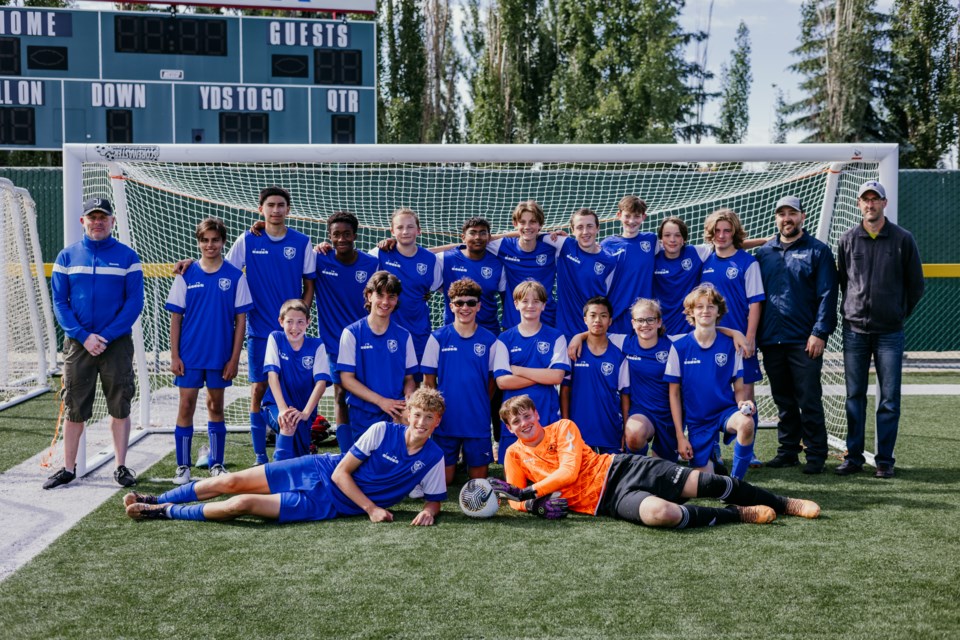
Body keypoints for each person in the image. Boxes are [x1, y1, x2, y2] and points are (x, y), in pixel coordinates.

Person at [123, 387, 448, 525]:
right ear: (407, 414)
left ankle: (165, 511)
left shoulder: (433, 456)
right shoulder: (382, 431)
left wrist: (431, 511)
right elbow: (340, 474)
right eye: (416, 415)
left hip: (327, 506)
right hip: (319, 469)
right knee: (232, 481)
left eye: (428, 418)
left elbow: (434, 498)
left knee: (242, 504)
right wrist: (372, 509)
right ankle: (156, 496)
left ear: (437, 422)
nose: (421, 423)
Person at [492, 394, 820, 529]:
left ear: (536, 414)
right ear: (509, 429)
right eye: (516, 422)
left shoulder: (563, 427)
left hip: (622, 468)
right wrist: (532, 504)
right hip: (606, 501)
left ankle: (785, 502)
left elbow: (568, 471)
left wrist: (530, 492)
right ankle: (736, 514)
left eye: (527, 415)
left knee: (705, 483)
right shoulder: (513, 454)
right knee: (660, 514)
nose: (524, 424)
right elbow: (513, 497)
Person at [181, 186, 316, 466]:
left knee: (292, 387)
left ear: (288, 209)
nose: (276, 210)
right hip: (259, 330)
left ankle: (295, 444)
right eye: (271, 205)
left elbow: (309, 284)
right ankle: (259, 457)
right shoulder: (247, 239)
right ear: (261, 209)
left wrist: (300, 316)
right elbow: (220, 265)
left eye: (281, 205)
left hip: (290, 332)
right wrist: (192, 263)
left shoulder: (302, 242)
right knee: (258, 389)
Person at [45, 197, 145, 489]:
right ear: (83, 221)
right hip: (79, 343)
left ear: (112, 221)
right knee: (75, 406)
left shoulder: (128, 257)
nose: (98, 222)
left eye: (103, 217)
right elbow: (59, 303)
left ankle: (121, 467)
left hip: (115, 344)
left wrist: (107, 336)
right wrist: (84, 336)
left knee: (120, 405)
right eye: (93, 217)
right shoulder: (67, 257)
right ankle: (68, 468)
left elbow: (134, 303)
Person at [835, 180, 925, 479]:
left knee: (888, 398)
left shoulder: (903, 239)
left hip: (890, 333)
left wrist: (898, 313)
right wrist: (854, 312)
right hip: (855, 331)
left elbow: (916, 286)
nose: (870, 204)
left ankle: (884, 460)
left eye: (876, 199)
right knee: (854, 396)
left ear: (884, 203)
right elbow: (845, 283)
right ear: (859, 204)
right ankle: (854, 457)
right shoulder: (848, 239)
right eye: (865, 200)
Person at [165, 217, 253, 484]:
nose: (210, 245)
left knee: (216, 406)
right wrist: (175, 355)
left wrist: (235, 358)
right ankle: (183, 467)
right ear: (199, 242)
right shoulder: (186, 274)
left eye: (215, 240)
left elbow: (241, 321)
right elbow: (176, 318)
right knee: (186, 405)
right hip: (189, 355)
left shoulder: (236, 277)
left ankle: (216, 463)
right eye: (205, 240)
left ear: (223, 242)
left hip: (220, 355)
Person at [756, 196, 838, 475]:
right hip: (770, 339)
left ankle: (816, 454)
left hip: (804, 339)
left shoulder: (818, 251)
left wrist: (819, 332)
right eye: (781, 214)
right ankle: (788, 450)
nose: (786, 218)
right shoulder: (765, 252)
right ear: (776, 218)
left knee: (808, 398)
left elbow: (828, 295)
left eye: (792, 213)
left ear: (802, 216)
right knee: (783, 398)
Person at [664, 284, 757, 480]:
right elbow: (673, 394)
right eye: (699, 307)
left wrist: (743, 402)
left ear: (718, 311)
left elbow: (739, 387)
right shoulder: (679, 347)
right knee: (703, 481)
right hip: (698, 421)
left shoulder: (732, 345)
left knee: (747, 424)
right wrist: (681, 437)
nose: (705, 310)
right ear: (691, 312)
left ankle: (736, 483)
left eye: (711, 306)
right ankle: (711, 457)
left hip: (724, 411)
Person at [699, 208, 765, 467]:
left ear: (735, 232)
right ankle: (712, 447)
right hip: (710, 340)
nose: (722, 235)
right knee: (710, 393)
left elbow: (755, 304)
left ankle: (749, 448)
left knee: (746, 394)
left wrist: (749, 338)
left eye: (727, 230)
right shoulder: (704, 258)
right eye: (717, 231)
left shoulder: (748, 263)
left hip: (740, 340)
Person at [312, 210, 379, 450]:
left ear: (355, 236)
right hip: (334, 344)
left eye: (346, 234)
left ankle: (371, 447)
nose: (341, 239)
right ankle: (345, 453)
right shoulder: (319, 259)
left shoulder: (372, 263)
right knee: (340, 395)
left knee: (368, 395)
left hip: (367, 341)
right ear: (329, 236)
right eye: (336, 234)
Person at [421, 278, 497, 483]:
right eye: (459, 303)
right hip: (446, 420)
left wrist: (478, 404)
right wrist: (436, 412)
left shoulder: (490, 340)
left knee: (478, 483)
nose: (465, 307)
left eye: (471, 303)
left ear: (479, 306)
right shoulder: (437, 338)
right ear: (451, 305)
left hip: (477, 421)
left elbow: (492, 382)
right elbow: (429, 383)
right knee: (445, 482)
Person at [337, 271, 418, 452]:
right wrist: (381, 401)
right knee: (368, 470)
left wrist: (409, 397)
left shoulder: (404, 335)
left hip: (395, 410)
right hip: (364, 413)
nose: (385, 302)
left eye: (391, 296)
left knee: (398, 461)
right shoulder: (351, 333)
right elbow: (346, 379)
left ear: (397, 300)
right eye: (380, 295)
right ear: (369, 296)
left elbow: (409, 378)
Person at [492, 281, 570, 462]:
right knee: (512, 478)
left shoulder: (556, 336)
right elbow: (503, 381)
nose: (530, 305)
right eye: (525, 301)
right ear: (516, 304)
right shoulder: (505, 339)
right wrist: (544, 375)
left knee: (548, 469)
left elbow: (557, 376)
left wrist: (517, 370)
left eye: (536, 301)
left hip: (545, 411)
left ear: (543, 305)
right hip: (514, 415)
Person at [368, 208, 443, 365]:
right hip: (384, 329)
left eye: (410, 227)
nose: (405, 231)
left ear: (418, 230)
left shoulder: (431, 259)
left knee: (414, 382)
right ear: (392, 231)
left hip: (418, 330)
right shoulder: (379, 254)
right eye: (400, 227)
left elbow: (439, 286)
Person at [262, 299, 332, 461]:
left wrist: (306, 413)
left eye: (300, 322)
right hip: (275, 406)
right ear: (281, 322)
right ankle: (277, 477)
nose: (295, 328)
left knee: (300, 458)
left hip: (304, 410)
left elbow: (321, 383)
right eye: (289, 322)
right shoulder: (276, 339)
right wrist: (282, 410)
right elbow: (272, 376)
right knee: (287, 423)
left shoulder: (317, 345)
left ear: (308, 322)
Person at [559, 296, 629, 454]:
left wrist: (626, 428)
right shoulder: (573, 351)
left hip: (610, 430)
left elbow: (625, 395)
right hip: (579, 430)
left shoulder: (618, 356)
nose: (598, 320)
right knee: (581, 477)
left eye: (603, 316)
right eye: (593, 315)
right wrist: (565, 424)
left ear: (610, 321)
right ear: (585, 319)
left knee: (611, 477)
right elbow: (564, 391)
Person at [543, 208, 618, 339]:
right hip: (564, 329)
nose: (585, 232)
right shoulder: (565, 245)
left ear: (597, 228)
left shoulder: (609, 261)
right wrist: (495, 238)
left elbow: (608, 296)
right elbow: (529, 233)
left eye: (590, 226)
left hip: (593, 332)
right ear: (572, 230)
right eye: (579, 227)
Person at [486, 200, 559, 329]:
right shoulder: (504, 246)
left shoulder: (552, 246)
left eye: (533, 222)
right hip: (514, 321)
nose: (527, 226)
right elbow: (474, 242)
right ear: (515, 224)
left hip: (547, 320)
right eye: (522, 222)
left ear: (540, 225)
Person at [436, 217, 506, 336]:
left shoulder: (498, 264)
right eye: (472, 233)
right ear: (463, 237)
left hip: (489, 332)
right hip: (454, 333)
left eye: (482, 233)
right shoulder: (445, 259)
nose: (478, 237)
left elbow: (505, 300)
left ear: (489, 237)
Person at [601, 195, 658, 334]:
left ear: (643, 217)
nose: (631, 221)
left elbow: (674, 248)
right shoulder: (607, 244)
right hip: (616, 314)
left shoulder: (651, 240)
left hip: (643, 316)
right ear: (619, 215)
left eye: (637, 216)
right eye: (627, 216)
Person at [653, 217, 706, 336]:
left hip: (689, 330)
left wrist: (758, 242)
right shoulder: (652, 257)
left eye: (677, 235)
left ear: (683, 239)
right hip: (659, 330)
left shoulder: (697, 253)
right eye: (667, 235)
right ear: (661, 239)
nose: (672, 240)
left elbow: (728, 246)